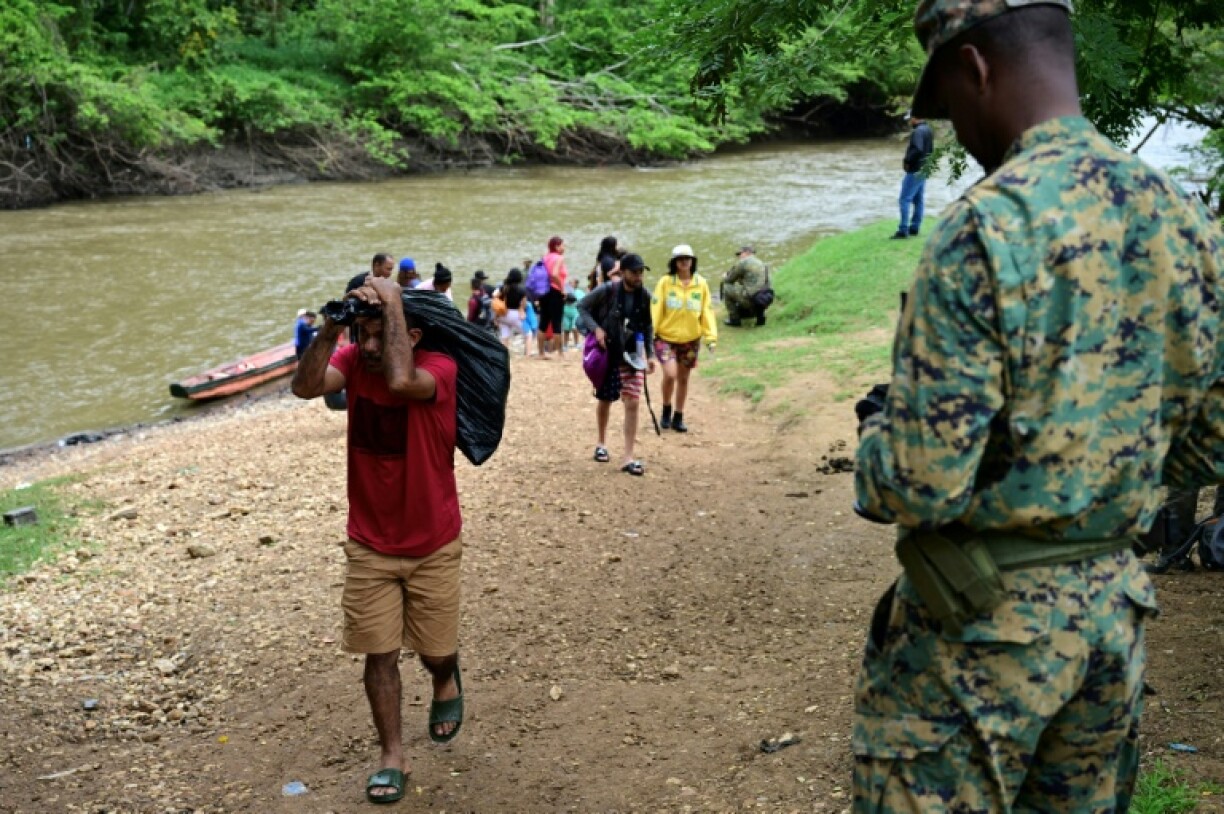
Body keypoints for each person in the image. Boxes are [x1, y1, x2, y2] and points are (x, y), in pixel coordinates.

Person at [851, 1, 1223, 811]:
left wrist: (877, 435)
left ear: (975, 68)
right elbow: (1210, 446)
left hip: (976, 630)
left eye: (950, 102)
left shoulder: (984, 227)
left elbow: (918, 483)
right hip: (1110, 627)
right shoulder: (1185, 220)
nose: (956, 128)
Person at [290, 275, 466, 805]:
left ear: (411, 336)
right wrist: (331, 328)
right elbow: (304, 387)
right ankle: (393, 755)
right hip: (368, 543)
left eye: (376, 335)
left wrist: (390, 299)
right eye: (360, 335)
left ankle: (445, 677)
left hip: (432, 543)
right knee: (379, 654)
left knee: (434, 652)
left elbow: (399, 383)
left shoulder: (439, 370)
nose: (365, 347)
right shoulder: (352, 361)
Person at [577, 253, 656, 476]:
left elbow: (648, 326)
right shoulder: (608, 290)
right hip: (608, 354)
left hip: (634, 354)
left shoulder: (645, 296)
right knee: (605, 399)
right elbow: (582, 306)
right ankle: (601, 443)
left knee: (633, 401)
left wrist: (650, 355)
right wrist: (597, 329)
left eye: (641, 272)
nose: (639, 276)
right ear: (623, 273)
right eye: (634, 272)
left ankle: (628, 456)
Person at [651, 244, 717, 433]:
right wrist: (651, 332)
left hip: (690, 338)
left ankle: (678, 416)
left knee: (684, 378)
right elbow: (656, 309)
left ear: (692, 261)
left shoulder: (701, 283)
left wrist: (710, 337)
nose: (684, 262)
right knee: (670, 374)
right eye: (681, 259)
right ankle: (666, 409)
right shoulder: (665, 282)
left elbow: (707, 311)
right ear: (675, 263)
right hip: (665, 337)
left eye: (688, 258)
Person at [891, 112, 935, 239]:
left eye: (910, 119)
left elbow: (917, 149)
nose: (909, 122)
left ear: (915, 118)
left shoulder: (918, 132)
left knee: (904, 199)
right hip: (924, 168)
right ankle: (915, 227)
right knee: (918, 199)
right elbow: (930, 150)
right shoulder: (928, 130)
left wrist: (907, 161)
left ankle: (903, 230)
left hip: (915, 169)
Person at [722, 245, 769, 327]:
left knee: (726, 287)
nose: (739, 256)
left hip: (751, 300)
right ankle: (759, 316)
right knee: (754, 290)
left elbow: (729, 280)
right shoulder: (762, 264)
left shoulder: (743, 263)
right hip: (764, 300)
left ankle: (734, 319)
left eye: (740, 254)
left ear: (747, 253)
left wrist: (725, 276)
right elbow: (766, 283)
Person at [540, 236, 568, 358]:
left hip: (544, 291)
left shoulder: (545, 257)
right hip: (555, 291)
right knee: (557, 321)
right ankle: (560, 352)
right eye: (562, 245)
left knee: (543, 321)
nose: (564, 247)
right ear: (557, 246)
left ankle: (541, 352)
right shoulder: (559, 258)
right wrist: (562, 288)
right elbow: (555, 274)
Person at [495, 268, 529, 356]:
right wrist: (522, 311)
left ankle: (503, 356)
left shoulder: (503, 288)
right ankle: (527, 354)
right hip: (515, 314)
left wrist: (496, 317)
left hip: (503, 314)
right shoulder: (522, 290)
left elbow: (496, 299)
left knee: (504, 336)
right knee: (528, 333)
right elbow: (524, 304)